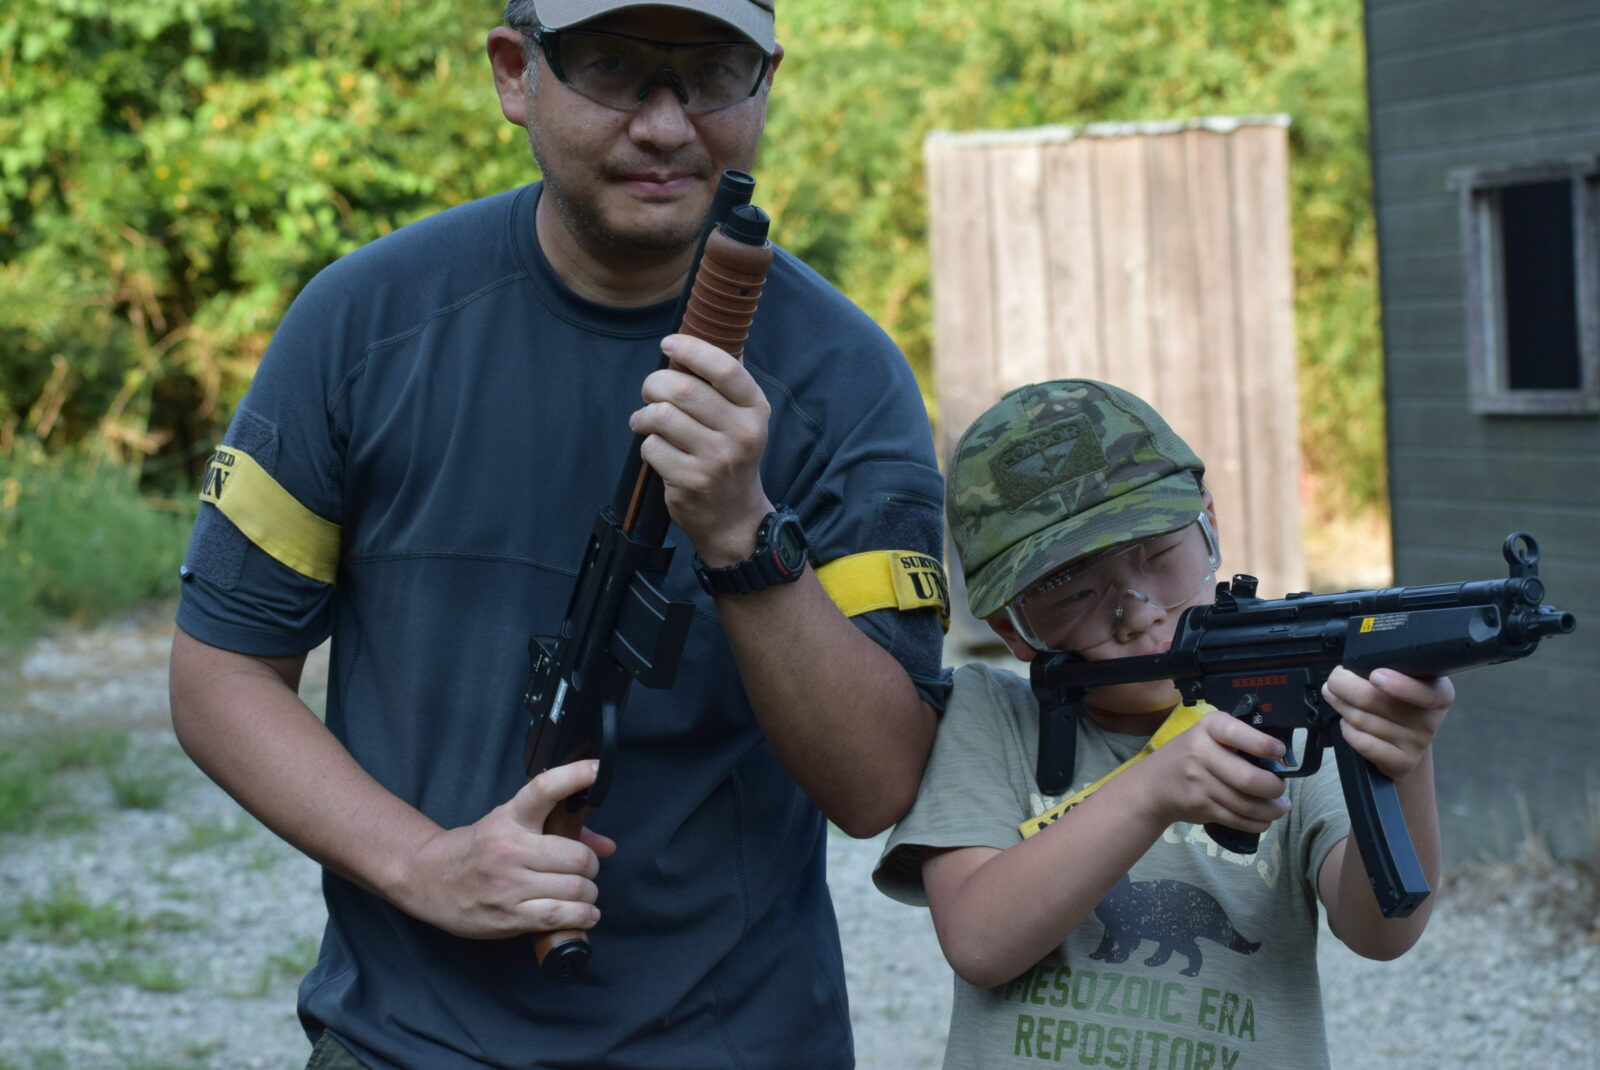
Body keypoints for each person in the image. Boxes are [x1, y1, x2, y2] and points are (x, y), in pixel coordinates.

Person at [167, 1, 951, 1066]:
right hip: (400, 1044)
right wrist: (422, 863)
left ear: (766, 79)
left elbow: (877, 786)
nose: (667, 124)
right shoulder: (360, 325)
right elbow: (222, 674)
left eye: (712, 72)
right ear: (512, 72)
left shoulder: (850, 379)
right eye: (614, 66)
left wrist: (742, 532)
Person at [874, 379, 1452, 1069]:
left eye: (1160, 557)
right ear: (1012, 628)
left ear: (1210, 523)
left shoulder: (1292, 715)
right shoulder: (992, 717)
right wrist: (1151, 791)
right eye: (1075, 592)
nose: (1141, 611)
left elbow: (1382, 933)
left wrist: (1403, 759)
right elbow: (978, 944)